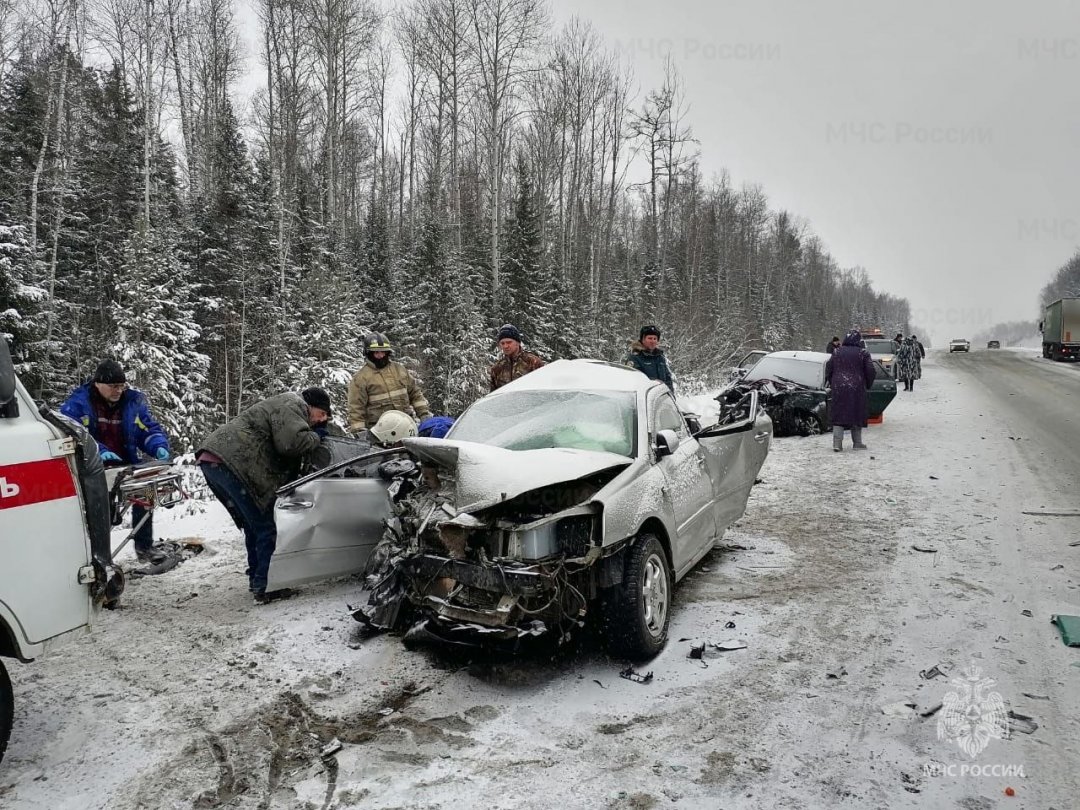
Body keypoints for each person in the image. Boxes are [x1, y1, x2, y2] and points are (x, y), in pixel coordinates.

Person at [196, 387, 329, 603]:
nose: (320, 421)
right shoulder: (293, 404)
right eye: (321, 414)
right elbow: (290, 444)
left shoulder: (285, 405)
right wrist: (316, 437)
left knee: (254, 524)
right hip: (232, 462)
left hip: (215, 461)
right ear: (311, 406)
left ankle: (258, 578)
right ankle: (266, 585)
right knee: (267, 524)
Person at [60, 358, 171, 564]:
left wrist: (158, 445)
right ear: (97, 384)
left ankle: (144, 547)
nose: (118, 390)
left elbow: (147, 428)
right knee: (102, 515)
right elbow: (72, 432)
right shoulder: (79, 404)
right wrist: (97, 452)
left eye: (121, 386)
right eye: (113, 386)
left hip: (125, 465)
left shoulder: (131, 403)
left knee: (146, 493)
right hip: (93, 469)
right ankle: (96, 558)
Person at [347, 333, 432, 434]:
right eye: (376, 353)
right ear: (368, 353)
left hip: (407, 426)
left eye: (383, 352)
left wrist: (424, 415)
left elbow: (415, 394)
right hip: (380, 432)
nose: (381, 356)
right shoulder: (360, 379)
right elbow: (356, 408)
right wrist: (359, 431)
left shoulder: (399, 370)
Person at [825, 331, 876, 452]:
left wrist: (832, 382)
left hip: (839, 386)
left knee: (838, 414)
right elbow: (870, 370)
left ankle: (837, 444)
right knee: (856, 413)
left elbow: (829, 368)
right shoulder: (863, 353)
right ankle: (857, 443)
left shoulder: (837, 352)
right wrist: (867, 384)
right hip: (857, 387)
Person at [490, 324, 545, 391]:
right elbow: (493, 395)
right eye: (502, 343)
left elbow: (543, 389)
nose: (505, 346)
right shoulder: (497, 369)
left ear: (518, 343)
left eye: (509, 342)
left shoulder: (533, 362)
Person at [624, 325, 675, 392]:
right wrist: (653, 382)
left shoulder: (660, 357)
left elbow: (668, 379)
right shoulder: (635, 358)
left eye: (655, 339)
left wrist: (671, 396)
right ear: (643, 339)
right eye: (650, 338)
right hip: (643, 398)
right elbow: (633, 381)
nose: (652, 341)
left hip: (661, 398)